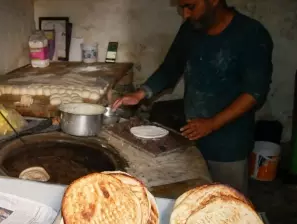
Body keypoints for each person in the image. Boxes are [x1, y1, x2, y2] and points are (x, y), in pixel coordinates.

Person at [113, 0, 273, 194]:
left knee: (227, 200)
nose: (185, 14)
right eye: (182, 8)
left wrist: (212, 123)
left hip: (228, 143)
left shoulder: (251, 34)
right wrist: (140, 93)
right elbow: (171, 67)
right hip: (192, 134)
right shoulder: (191, 30)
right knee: (194, 195)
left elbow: (254, 93)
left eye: (190, 6)